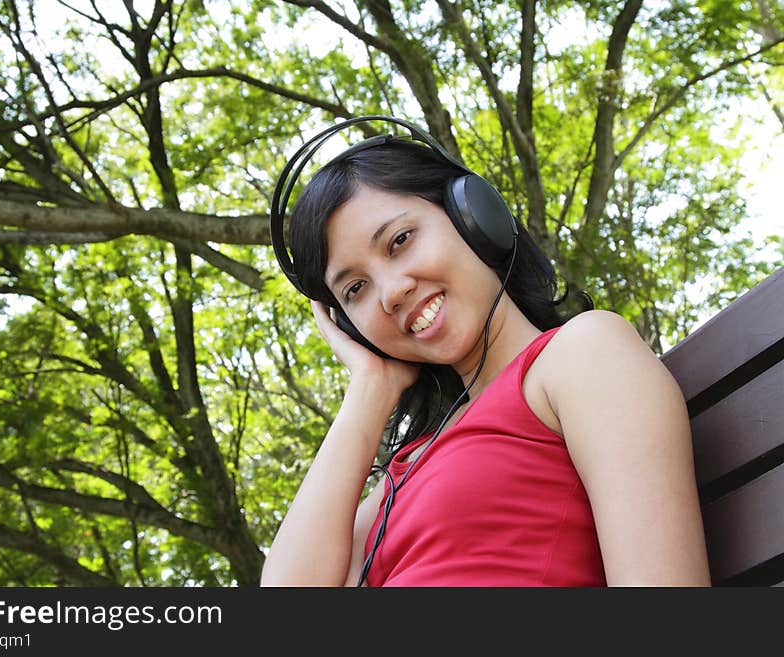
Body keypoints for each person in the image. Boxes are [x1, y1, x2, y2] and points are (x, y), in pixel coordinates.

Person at [261, 116, 711, 587]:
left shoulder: (581, 355)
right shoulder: (406, 468)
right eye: (355, 289)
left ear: (473, 217)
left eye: (399, 240)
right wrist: (371, 387)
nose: (390, 292)